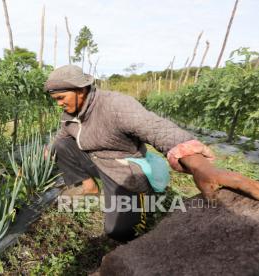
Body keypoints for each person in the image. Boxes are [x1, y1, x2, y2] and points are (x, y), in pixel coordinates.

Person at [45, 65, 259, 242]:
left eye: (61, 97)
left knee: (118, 232)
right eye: (56, 99)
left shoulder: (115, 106)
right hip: (97, 160)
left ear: (80, 90)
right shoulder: (70, 114)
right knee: (61, 146)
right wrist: (45, 153)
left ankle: (140, 210)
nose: (59, 104)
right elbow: (63, 137)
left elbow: (159, 130)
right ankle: (89, 187)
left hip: (123, 170)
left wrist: (201, 167)